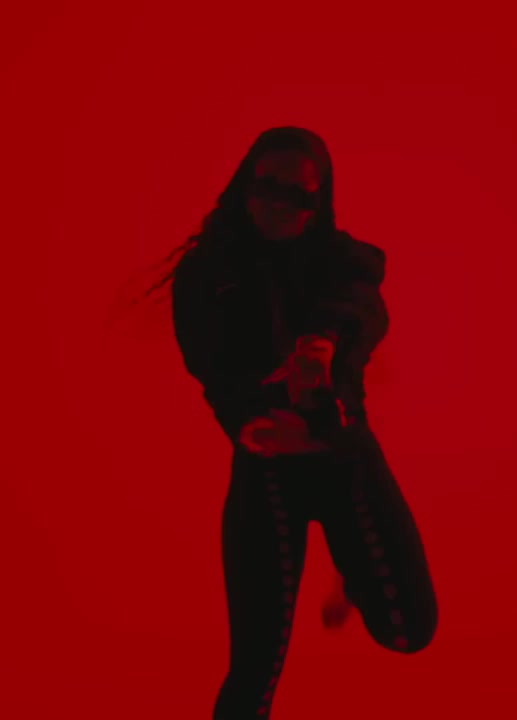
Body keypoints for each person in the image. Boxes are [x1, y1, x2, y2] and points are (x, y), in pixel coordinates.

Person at [145, 126, 438, 718]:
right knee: (254, 669)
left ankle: (352, 573)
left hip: (343, 456)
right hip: (267, 466)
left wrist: (321, 345)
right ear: (246, 186)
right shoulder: (208, 272)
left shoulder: (341, 262)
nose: (279, 206)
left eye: (298, 195)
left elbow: (360, 307)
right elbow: (212, 368)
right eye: (268, 187)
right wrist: (249, 423)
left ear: (318, 201)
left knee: (407, 627)